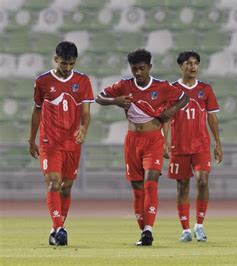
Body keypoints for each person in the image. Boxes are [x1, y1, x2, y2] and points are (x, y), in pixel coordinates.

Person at [95, 49, 189, 246]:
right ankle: (143, 231)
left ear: (150, 67)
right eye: (134, 69)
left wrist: (171, 110)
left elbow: (184, 97)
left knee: (150, 182)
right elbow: (99, 97)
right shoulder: (124, 85)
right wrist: (115, 101)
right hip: (132, 141)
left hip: (154, 139)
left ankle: (149, 230)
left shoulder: (162, 86)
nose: (138, 72)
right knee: (137, 188)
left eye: (142, 68)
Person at [28, 41, 95, 246]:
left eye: (71, 64)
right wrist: (32, 139)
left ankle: (55, 229)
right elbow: (37, 110)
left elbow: (85, 112)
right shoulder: (42, 81)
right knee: (53, 183)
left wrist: (84, 129)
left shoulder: (83, 81)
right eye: (64, 63)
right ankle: (59, 228)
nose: (67, 68)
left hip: (72, 143)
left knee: (66, 188)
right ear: (56, 59)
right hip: (50, 142)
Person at [163, 51, 222, 242]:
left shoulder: (205, 90)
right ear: (181, 66)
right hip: (179, 147)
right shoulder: (171, 90)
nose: (193, 67)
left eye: (196, 63)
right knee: (182, 187)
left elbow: (212, 117)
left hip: (201, 146)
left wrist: (217, 144)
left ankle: (199, 225)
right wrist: (165, 140)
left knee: (203, 181)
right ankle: (185, 229)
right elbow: (165, 117)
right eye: (189, 63)